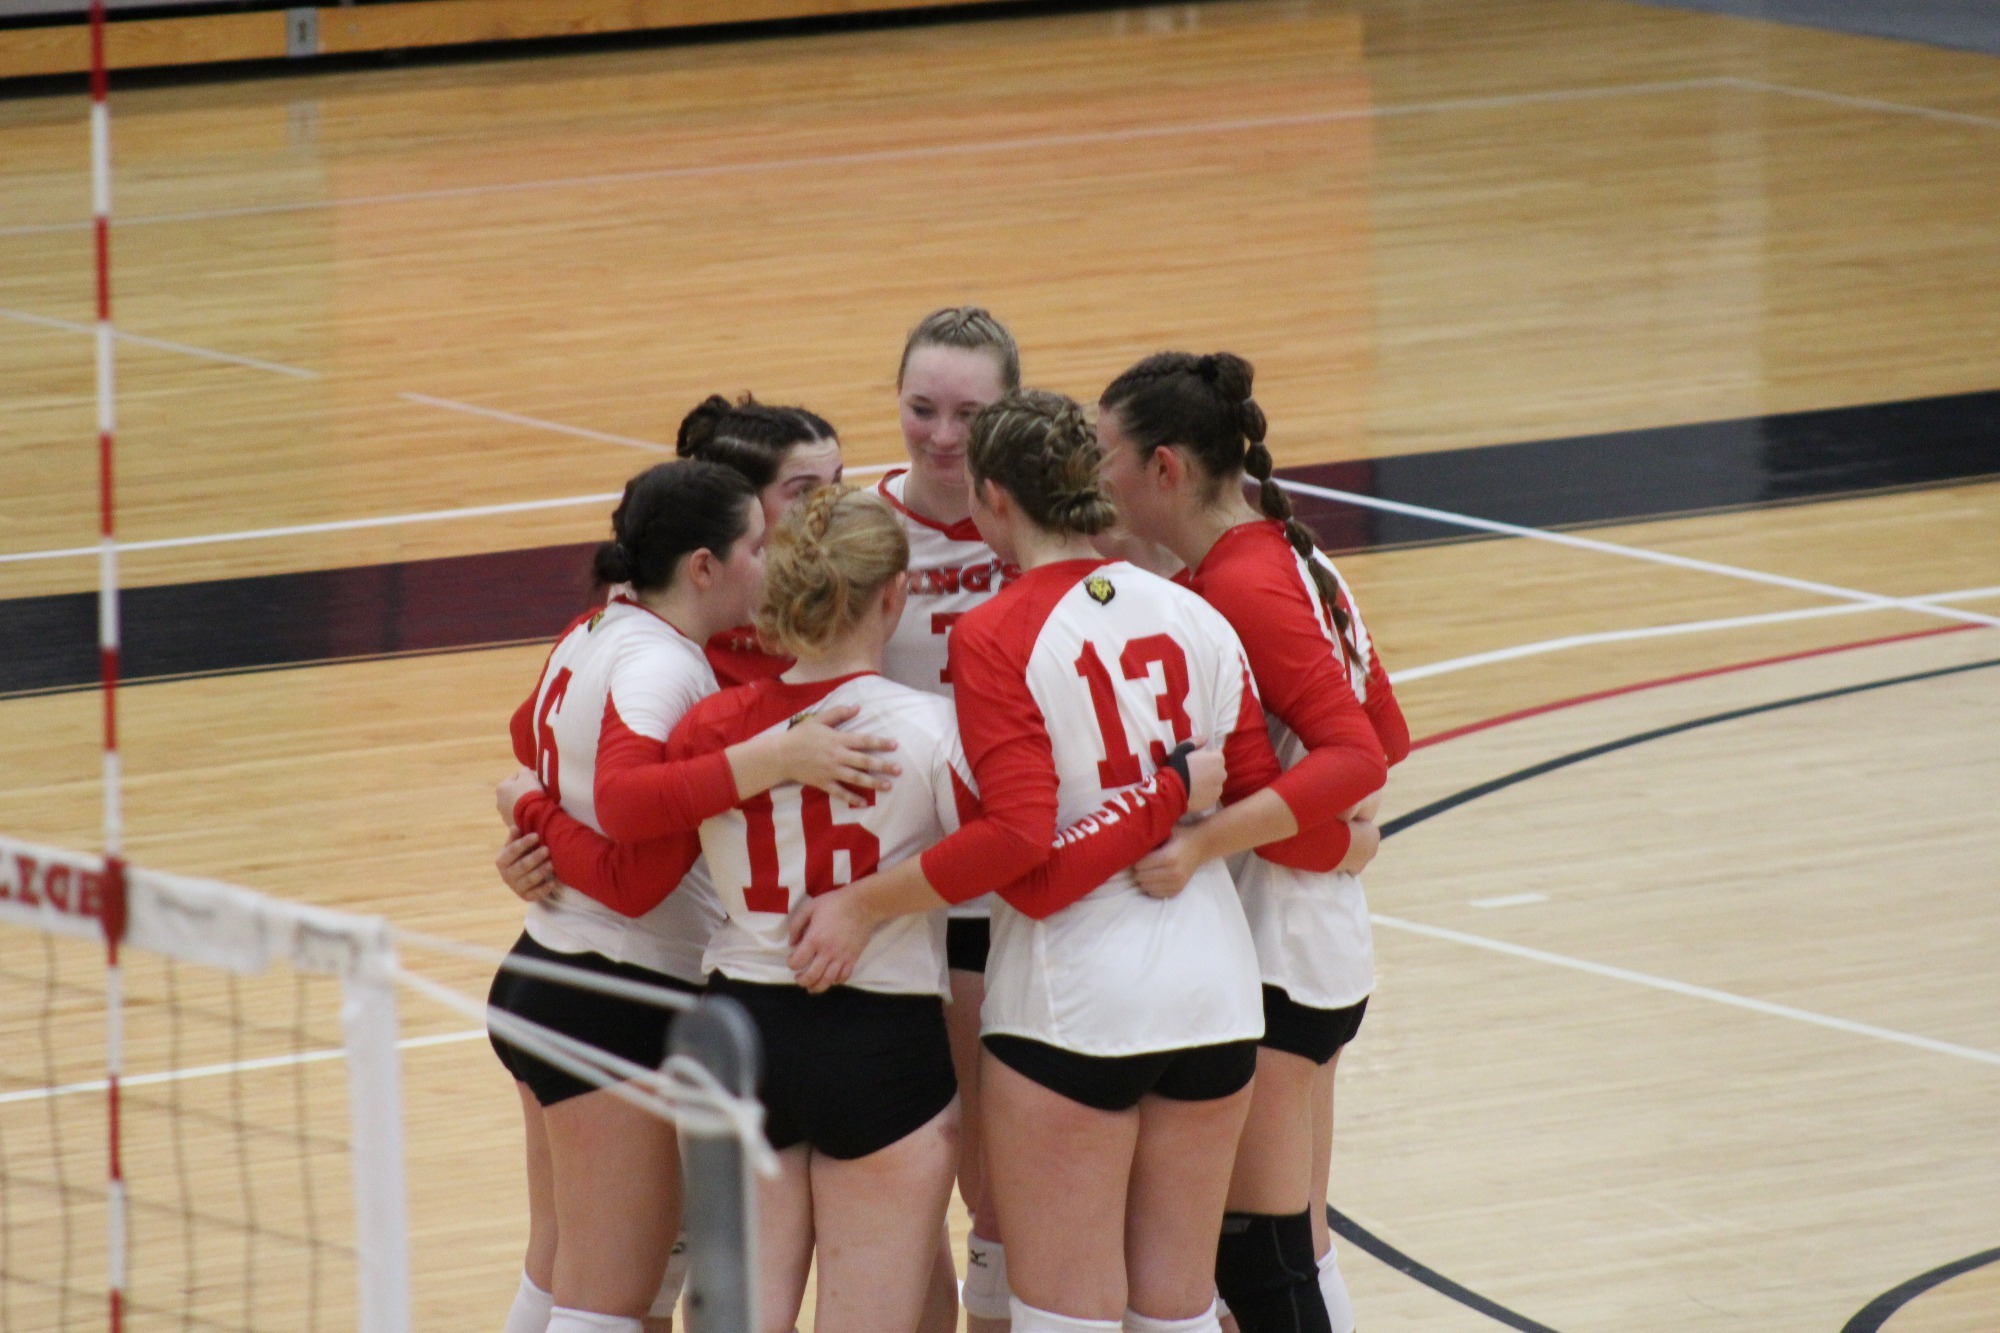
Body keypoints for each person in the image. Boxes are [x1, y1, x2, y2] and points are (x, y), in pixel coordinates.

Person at [791, 390, 1357, 1333]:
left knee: (1068, 1316)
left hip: (1074, 1009)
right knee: (1178, 1311)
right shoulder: (1193, 610)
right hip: (1216, 996)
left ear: (996, 498)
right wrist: (1210, 804)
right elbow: (1258, 796)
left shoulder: (994, 632)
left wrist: (864, 904)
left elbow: (1030, 865)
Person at [489, 460, 896, 1333]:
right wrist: (776, 757)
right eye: (756, 545)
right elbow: (635, 837)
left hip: (548, 969)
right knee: (608, 1305)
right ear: (704, 566)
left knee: (563, 1275)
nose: (770, 561)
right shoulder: (662, 667)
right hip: (610, 994)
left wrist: (530, 805)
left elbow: (532, 742)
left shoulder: (595, 630)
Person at [1099, 352, 1408, 1333]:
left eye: (1103, 456)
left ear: (1161, 469)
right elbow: (1385, 735)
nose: (1091, 476)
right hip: (1316, 940)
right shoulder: (1287, 551)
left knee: (1261, 1259)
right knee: (1299, 1251)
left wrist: (1216, 839)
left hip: (1277, 945)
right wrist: (1339, 835)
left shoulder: (1241, 583)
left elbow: (1356, 752)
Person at [874, 305, 1024, 1333]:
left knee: (999, 1176)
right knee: (899, 1166)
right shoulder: (855, 531)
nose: (938, 435)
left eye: (966, 413)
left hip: (1010, 887)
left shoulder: (1051, 524)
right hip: (886, 897)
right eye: (920, 408)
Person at [677, 393, 844, 687]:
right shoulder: (686, 623)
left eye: (837, 482)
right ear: (743, 503)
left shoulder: (853, 589)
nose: (833, 505)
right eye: (804, 492)